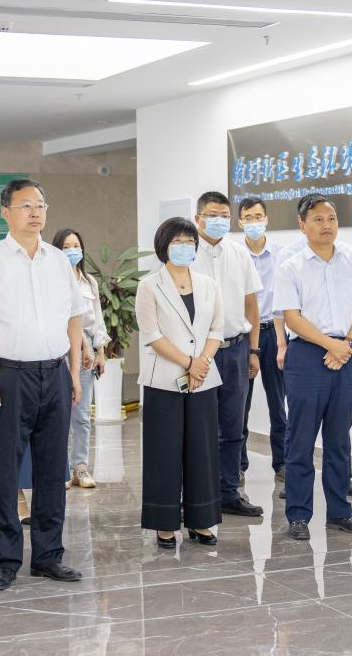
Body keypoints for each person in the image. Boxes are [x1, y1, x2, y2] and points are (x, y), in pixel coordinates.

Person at [0, 178, 86, 591]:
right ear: (5, 212)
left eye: (40, 205)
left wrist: (74, 374)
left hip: (55, 374)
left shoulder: (58, 262)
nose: (35, 212)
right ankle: (7, 560)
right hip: (8, 377)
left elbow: (74, 319)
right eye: (26, 205)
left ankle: (48, 556)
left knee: (52, 470)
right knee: (4, 471)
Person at [274, 194, 352, 540]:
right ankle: (298, 515)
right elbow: (292, 317)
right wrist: (330, 345)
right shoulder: (291, 268)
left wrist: (347, 345)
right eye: (317, 219)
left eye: (331, 219)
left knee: (339, 439)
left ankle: (340, 513)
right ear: (302, 225)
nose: (326, 225)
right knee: (301, 439)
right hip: (307, 356)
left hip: (347, 354)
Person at [136, 217, 224, 548]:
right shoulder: (149, 285)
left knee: (202, 451)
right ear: (163, 246)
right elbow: (152, 335)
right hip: (164, 379)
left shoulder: (208, 284)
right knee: (164, 452)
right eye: (177, 241)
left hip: (202, 379)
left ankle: (202, 520)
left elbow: (216, 329)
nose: (184, 247)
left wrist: (201, 364)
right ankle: (164, 523)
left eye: (190, 242)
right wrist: (189, 363)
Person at [190, 191, 264, 518]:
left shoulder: (239, 254)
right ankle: (194, 494)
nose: (218, 220)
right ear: (198, 218)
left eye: (224, 215)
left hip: (236, 350)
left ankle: (228, 491)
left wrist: (254, 350)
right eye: (212, 214)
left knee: (234, 427)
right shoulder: (186, 253)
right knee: (197, 427)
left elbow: (251, 305)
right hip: (197, 354)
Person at [237, 197, 288, 482]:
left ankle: (282, 463)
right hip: (244, 336)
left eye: (258, 217)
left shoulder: (282, 254)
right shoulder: (235, 255)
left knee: (278, 405)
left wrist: (282, 342)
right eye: (248, 218)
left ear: (266, 219)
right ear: (240, 222)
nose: (254, 222)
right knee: (239, 404)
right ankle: (238, 465)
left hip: (274, 333)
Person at [53, 228, 108, 489]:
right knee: (60, 412)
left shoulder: (89, 282)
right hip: (61, 345)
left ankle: (81, 467)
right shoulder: (54, 280)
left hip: (87, 347)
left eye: (76, 246)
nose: (72, 251)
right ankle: (62, 469)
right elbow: (66, 317)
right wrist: (84, 346)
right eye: (66, 247)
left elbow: (97, 317)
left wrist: (100, 351)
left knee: (82, 414)